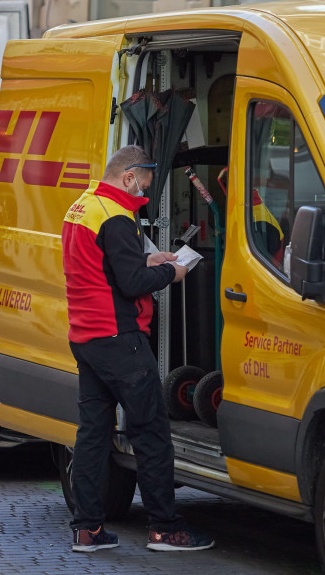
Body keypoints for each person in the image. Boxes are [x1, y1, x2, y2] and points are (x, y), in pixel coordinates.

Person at [61, 145, 215, 553]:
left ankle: (87, 529)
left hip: (87, 337)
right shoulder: (115, 215)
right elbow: (130, 284)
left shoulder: (83, 206)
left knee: (93, 435)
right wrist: (172, 271)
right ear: (128, 177)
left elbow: (107, 268)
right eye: (142, 187)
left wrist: (149, 259)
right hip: (120, 340)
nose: (142, 196)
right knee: (151, 432)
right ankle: (166, 528)